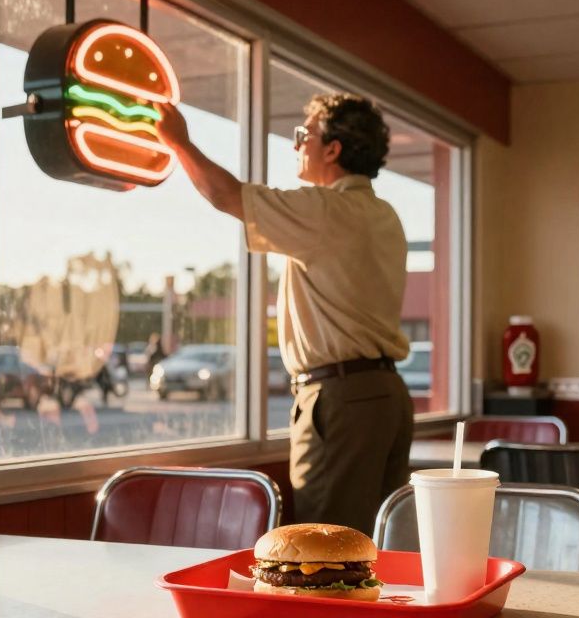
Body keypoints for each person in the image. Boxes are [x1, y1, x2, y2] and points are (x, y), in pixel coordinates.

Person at [156, 93, 413, 534]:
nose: (296, 145)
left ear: (333, 149)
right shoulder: (384, 215)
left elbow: (225, 195)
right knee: (373, 547)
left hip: (341, 399)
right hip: (387, 396)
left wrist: (179, 142)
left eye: (304, 135)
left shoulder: (327, 210)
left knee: (326, 547)